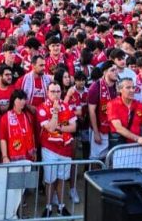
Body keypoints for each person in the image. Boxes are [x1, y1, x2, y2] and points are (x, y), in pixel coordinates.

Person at [38, 81, 77, 218]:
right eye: (53, 91)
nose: (55, 94)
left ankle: (61, 207)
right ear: (48, 92)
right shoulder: (42, 108)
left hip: (65, 149)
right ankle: (48, 207)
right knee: (50, 180)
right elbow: (50, 127)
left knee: (61, 179)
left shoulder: (66, 106)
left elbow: (73, 127)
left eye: (58, 91)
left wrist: (60, 127)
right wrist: (55, 112)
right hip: (49, 149)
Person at [87, 63, 119, 159]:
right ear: (105, 72)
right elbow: (91, 111)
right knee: (97, 157)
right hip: (100, 128)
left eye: (116, 70)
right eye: (112, 70)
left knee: (113, 157)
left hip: (116, 128)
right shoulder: (95, 87)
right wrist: (96, 133)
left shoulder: (119, 86)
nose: (116, 72)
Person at [0, 90, 36, 163]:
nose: (22, 101)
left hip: (28, 157)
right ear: (13, 100)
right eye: (20, 99)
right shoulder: (5, 118)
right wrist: (4, 156)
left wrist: (34, 151)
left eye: (24, 99)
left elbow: (32, 134)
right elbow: (2, 139)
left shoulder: (28, 116)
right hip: (12, 158)